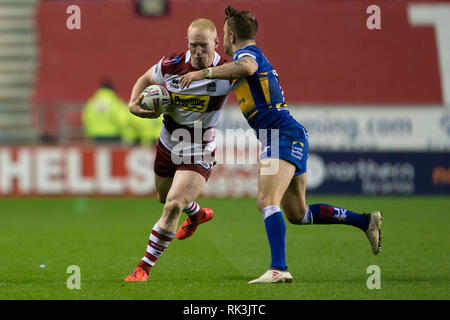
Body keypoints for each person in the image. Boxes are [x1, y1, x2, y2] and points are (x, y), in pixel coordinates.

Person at [180, 6, 383, 284]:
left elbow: (246, 67)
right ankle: (365, 221)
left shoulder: (246, 55)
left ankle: (279, 269)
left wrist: (204, 74)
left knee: (266, 200)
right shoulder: (241, 60)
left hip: (281, 136)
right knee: (298, 213)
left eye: (224, 33)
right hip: (287, 134)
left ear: (230, 35)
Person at [125, 18, 231, 281]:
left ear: (216, 43)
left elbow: (253, 70)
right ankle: (196, 214)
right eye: (193, 46)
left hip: (199, 148)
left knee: (172, 205)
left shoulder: (228, 71)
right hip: (168, 142)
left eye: (204, 46)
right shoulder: (171, 65)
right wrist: (133, 105)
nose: (198, 52)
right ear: (187, 44)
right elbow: (146, 77)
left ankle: (143, 268)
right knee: (164, 197)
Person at [82, 80, 128, 145]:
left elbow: (86, 119)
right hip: (113, 136)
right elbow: (122, 120)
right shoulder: (115, 103)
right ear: (112, 90)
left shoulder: (92, 102)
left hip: (95, 137)